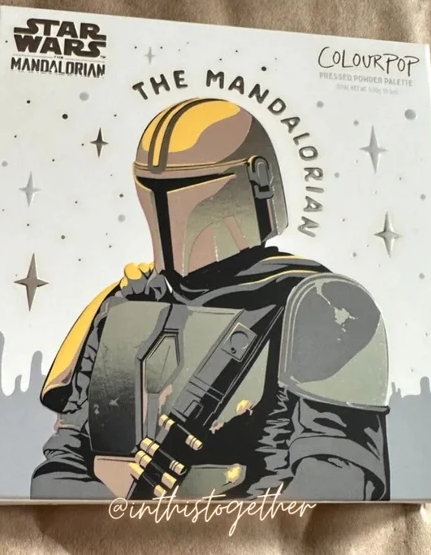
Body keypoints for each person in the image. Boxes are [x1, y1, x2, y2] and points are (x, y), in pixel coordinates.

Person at [31, 98, 390, 501]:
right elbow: (61, 467)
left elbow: (339, 484)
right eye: (157, 187)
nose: (168, 202)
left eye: (182, 185)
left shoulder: (322, 305)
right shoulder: (122, 301)